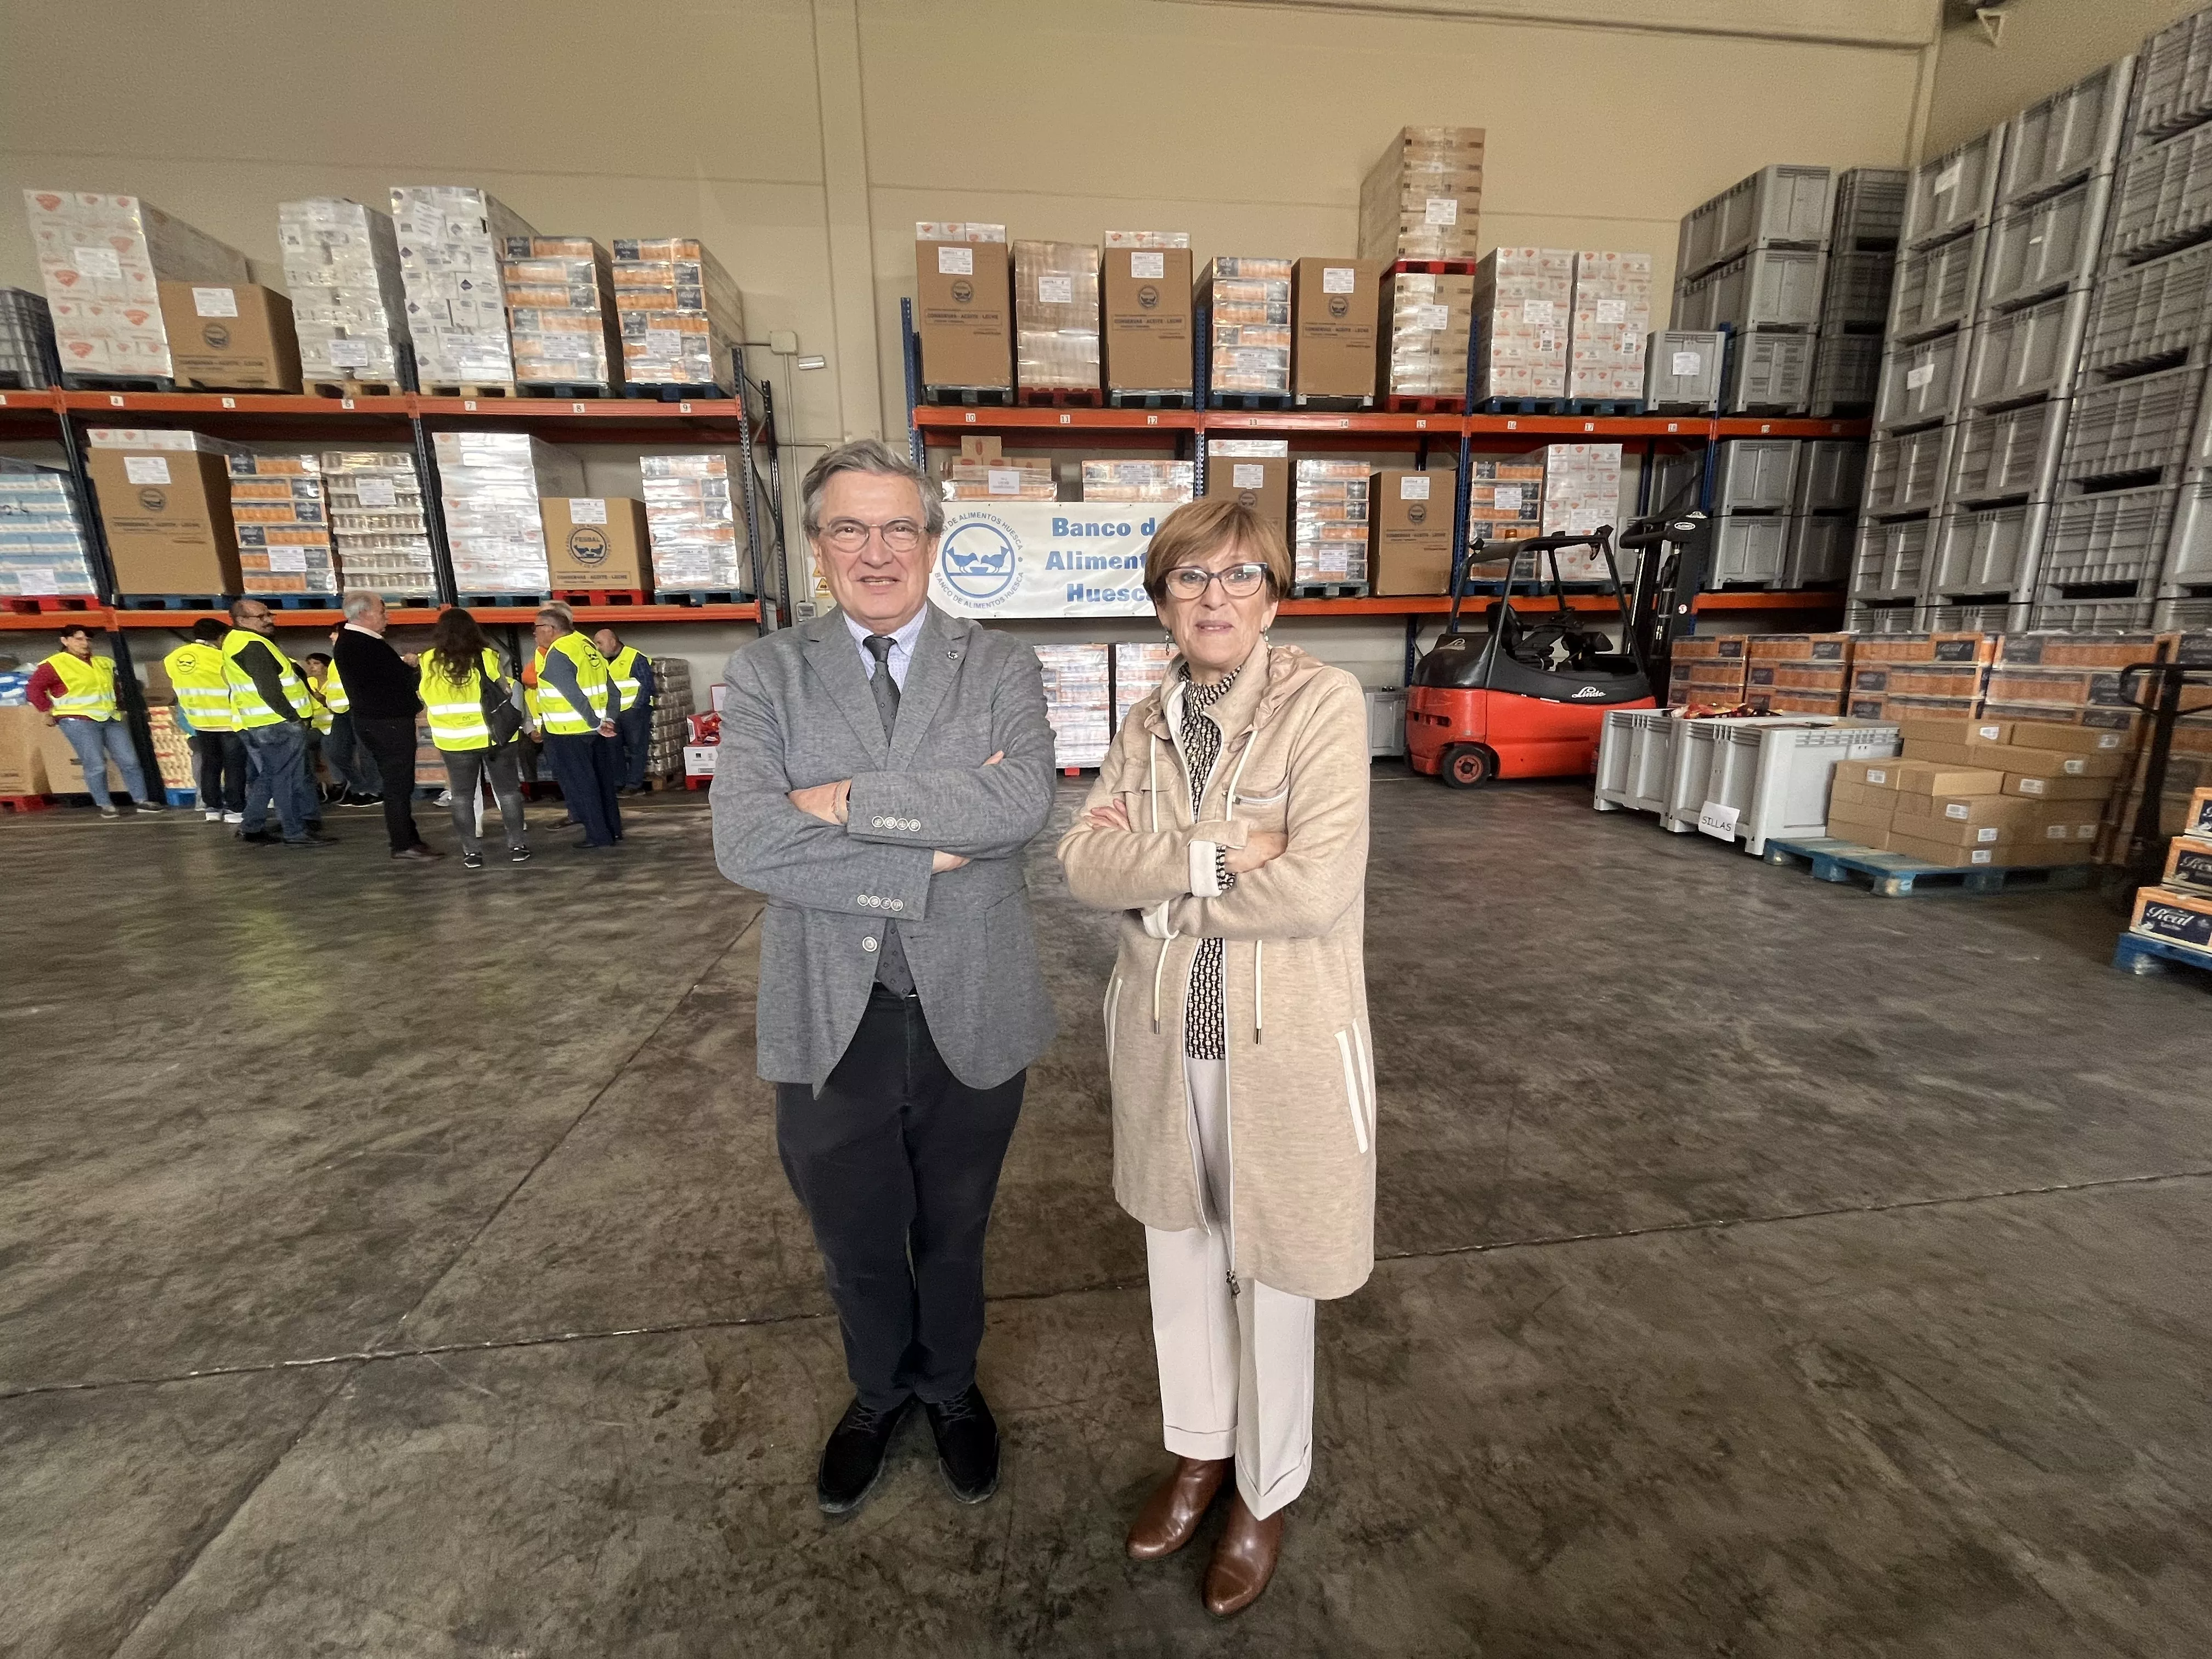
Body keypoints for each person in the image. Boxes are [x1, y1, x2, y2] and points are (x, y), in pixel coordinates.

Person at [712, 438, 1057, 1519]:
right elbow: (747, 844)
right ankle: (877, 1393)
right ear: (818, 548)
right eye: (849, 529)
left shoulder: (1000, 667)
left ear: (932, 543)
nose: (876, 551)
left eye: (898, 527)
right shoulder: (767, 671)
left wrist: (840, 800)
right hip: (831, 1018)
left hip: (974, 1006)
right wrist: (933, 834)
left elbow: (1021, 809)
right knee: (856, 1241)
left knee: (956, 1233)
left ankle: (949, 1389)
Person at [1056, 496, 1375, 1620]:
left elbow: (1317, 887)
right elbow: (1083, 870)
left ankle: (1264, 1485)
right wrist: (1213, 855)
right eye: (1190, 579)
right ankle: (1199, 1452)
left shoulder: (1321, 705)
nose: (1215, 599)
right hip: (1162, 1043)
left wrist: (1165, 893)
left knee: (1275, 1268)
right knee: (1179, 1256)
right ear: (1162, 605)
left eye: (1239, 576)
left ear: (1274, 596)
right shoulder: (1145, 723)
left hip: (1276, 1045)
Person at [419, 608, 531, 870]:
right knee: (508, 793)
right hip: (496, 738)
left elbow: (424, 697)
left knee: (461, 797)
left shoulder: (428, 660)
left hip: (453, 741)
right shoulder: (487, 656)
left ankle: (472, 853)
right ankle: (516, 846)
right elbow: (503, 690)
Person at [333, 591, 441, 862]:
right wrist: (411, 668)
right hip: (386, 725)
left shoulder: (358, 642)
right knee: (398, 785)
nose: (387, 616)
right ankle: (403, 843)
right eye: (382, 611)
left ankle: (408, 838)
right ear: (364, 614)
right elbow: (396, 681)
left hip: (381, 722)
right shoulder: (361, 644)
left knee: (399, 784)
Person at [221, 599, 335, 848]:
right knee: (287, 780)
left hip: (263, 723)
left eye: (268, 615)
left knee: (271, 776)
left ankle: (251, 826)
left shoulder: (237, 641)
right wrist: (293, 717)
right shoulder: (252, 645)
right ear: (241, 621)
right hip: (279, 724)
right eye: (261, 617)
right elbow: (269, 689)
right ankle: (294, 832)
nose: (269, 620)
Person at [27, 624, 167, 818]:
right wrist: (47, 711)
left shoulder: (104, 662)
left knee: (130, 761)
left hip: (110, 717)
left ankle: (142, 800)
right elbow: (34, 689)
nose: (85, 643)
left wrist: (119, 704)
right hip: (78, 720)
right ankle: (105, 804)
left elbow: (113, 688)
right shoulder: (54, 665)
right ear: (65, 641)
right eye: (79, 639)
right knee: (95, 764)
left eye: (87, 639)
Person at [531, 605, 623, 849]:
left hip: (569, 732)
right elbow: (612, 689)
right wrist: (608, 720)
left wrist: (594, 723)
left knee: (583, 785)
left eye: (537, 628)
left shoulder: (558, 652)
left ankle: (598, 836)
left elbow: (571, 694)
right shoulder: (585, 645)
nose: (535, 634)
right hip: (597, 730)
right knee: (603, 782)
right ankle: (613, 830)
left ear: (550, 629)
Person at [163, 617, 244, 823]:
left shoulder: (173, 658)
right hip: (228, 720)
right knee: (234, 765)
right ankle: (235, 810)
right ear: (220, 637)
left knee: (210, 764)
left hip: (199, 721)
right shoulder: (222, 657)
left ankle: (212, 809)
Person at [309, 637, 377, 805]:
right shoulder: (335, 662)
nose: (332, 638)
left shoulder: (357, 656)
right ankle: (358, 785)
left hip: (357, 709)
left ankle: (373, 791)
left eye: (335, 635)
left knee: (366, 753)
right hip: (340, 713)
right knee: (336, 751)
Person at [594, 626, 656, 794]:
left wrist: (636, 708)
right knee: (613, 748)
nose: (597, 647)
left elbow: (647, 686)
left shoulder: (635, 658)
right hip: (612, 714)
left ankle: (634, 785)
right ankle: (618, 783)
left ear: (613, 642)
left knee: (637, 748)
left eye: (600, 643)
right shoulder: (598, 661)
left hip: (633, 712)